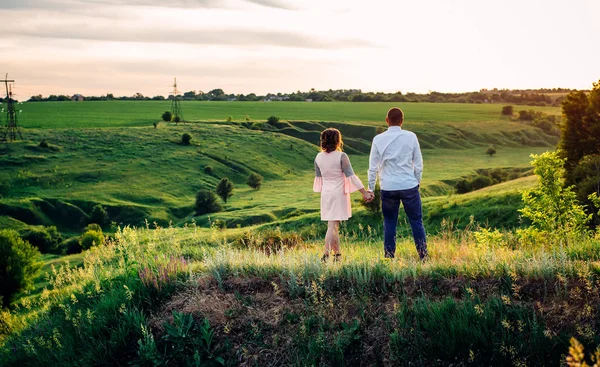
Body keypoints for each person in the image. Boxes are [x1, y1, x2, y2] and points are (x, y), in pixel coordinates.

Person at [367, 107, 428, 260]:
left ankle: (389, 257)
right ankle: (423, 256)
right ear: (402, 121)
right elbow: (418, 164)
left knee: (389, 223)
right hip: (409, 185)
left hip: (388, 187)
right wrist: (416, 182)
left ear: (387, 120)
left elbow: (372, 167)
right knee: (416, 221)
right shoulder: (411, 136)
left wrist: (370, 188)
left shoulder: (378, 139)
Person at [313, 128, 374, 262]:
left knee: (334, 224)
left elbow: (319, 178)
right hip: (338, 193)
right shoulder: (341, 156)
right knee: (332, 225)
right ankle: (326, 255)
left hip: (326, 193)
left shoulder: (318, 157)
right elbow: (351, 176)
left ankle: (338, 256)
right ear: (338, 140)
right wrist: (364, 192)